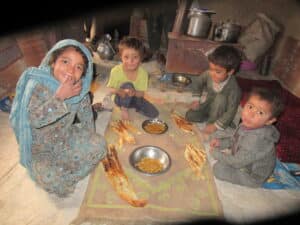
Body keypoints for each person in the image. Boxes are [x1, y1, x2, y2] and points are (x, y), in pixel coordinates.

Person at [9, 39, 107, 197]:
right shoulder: (37, 85)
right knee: (52, 181)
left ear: (84, 73)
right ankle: (62, 176)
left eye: (78, 67)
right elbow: (34, 120)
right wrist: (59, 97)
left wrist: (88, 138)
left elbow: (86, 117)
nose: (70, 70)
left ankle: (66, 171)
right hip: (40, 151)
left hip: (65, 138)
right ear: (52, 62)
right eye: (65, 61)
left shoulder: (78, 89)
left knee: (100, 145)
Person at [209, 87, 285, 188]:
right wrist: (220, 143)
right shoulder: (247, 124)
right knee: (217, 136)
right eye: (250, 107)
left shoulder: (256, 140)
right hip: (245, 158)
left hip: (253, 175)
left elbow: (237, 162)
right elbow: (234, 139)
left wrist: (217, 155)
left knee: (218, 169)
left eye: (260, 113)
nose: (250, 114)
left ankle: (253, 181)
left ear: (270, 121)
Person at [185, 45, 242, 135]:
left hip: (220, 113)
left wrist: (215, 126)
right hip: (208, 105)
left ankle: (212, 122)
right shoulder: (208, 74)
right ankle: (207, 117)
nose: (212, 74)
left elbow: (231, 111)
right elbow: (198, 83)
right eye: (211, 69)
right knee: (189, 116)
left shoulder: (234, 89)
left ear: (230, 72)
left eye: (218, 72)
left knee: (220, 99)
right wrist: (195, 100)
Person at [106, 36, 159, 120]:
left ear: (141, 58)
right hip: (119, 99)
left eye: (135, 57)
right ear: (121, 57)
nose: (130, 61)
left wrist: (134, 93)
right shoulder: (115, 71)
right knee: (128, 85)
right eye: (126, 57)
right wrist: (119, 91)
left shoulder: (143, 74)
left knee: (154, 113)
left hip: (134, 97)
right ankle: (124, 109)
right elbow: (109, 89)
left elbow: (141, 94)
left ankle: (134, 106)